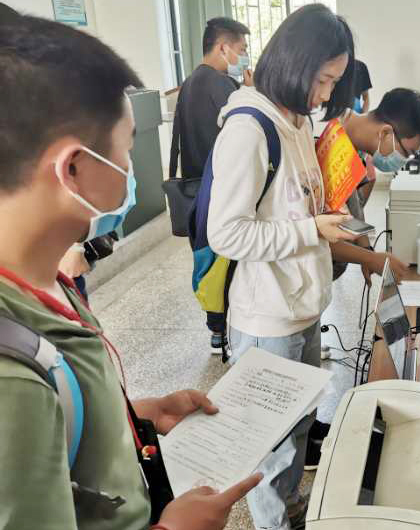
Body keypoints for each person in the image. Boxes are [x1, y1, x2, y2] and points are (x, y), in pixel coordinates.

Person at [0, 15, 261, 530]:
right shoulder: (12, 382)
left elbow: (58, 434)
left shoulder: (48, 285)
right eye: (125, 146)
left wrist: (139, 413)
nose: (131, 167)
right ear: (72, 168)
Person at [205, 5, 358, 529]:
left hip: (302, 305)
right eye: (322, 80)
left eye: (333, 82)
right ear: (295, 63)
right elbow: (227, 233)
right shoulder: (249, 128)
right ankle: (275, 522)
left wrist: (326, 211)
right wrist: (312, 229)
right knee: (273, 449)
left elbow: (290, 207)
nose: (324, 94)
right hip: (268, 317)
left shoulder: (297, 121)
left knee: (297, 432)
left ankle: (291, 512)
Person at [169, 16, 252, 351]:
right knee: (228, 261)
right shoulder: (221, 85)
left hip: (196, 192)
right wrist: (250, 93)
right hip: (221, 189)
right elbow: (245, 133)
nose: (244, 56)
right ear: (223, 47)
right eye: (241, 49)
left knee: (207, 260)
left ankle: (216, 329)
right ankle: (232, 329)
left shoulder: (189, 83)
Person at [330, 88, 420, 283]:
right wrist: (369, 258)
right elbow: (317, 233)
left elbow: (351, 205)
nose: (403, 160)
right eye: (407, 152)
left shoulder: (352, 144)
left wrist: (366, 248)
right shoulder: (327, 139)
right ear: (385, 133)